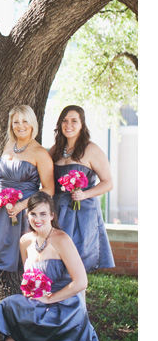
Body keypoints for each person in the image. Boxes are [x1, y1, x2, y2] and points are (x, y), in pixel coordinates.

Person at [0, 192, 102, 341]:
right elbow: (27, 277)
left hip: (64, 306)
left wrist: (51, 299)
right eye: (33, 213)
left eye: (43, 214)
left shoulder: (62, 239)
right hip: (38, 302)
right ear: (27, 215)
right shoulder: (25, 241)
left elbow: (81, 282)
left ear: (51, 216)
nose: (37, 219)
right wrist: (33, 294)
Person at [0, 104, 54, 338]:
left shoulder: (40, 153)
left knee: (28, 270)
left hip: (25, 215)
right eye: (16, 122)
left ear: (33, 125)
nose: (20, 126)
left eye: (25, 122)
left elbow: (48, 189)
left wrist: (22, 205)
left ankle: (30, 322)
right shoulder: (9, 145)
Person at [48, 105, 115, 272]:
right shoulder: (56, 149)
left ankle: (78, 298)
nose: (68, 125)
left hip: (81, 212)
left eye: (74, 121)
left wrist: (84, 194)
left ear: (82, 125)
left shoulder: (91, 149)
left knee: (78, 262)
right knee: (56, 260)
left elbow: (108, 182)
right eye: (64, 121)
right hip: (58, 209)